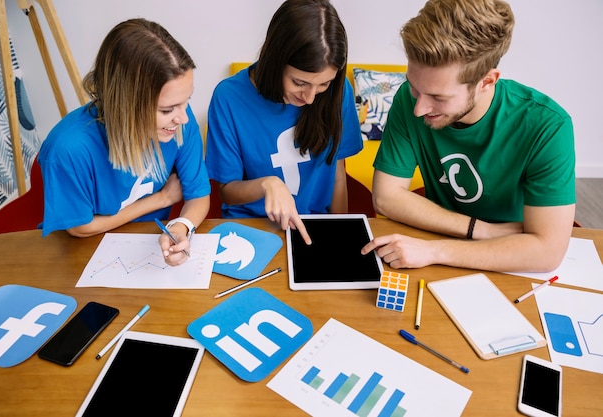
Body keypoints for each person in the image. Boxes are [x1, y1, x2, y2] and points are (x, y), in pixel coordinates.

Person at [362, 0, 576, 273]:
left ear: (487, 81)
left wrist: (434, 250)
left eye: (439, 97)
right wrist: (481, 230)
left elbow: (546, 253)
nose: (419, 109)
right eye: (414, 87)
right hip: (451, 249)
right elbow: (386, 198)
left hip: (510, 261)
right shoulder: (408, 100)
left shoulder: (548, 125)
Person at [39, 18, 210, 266]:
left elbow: (198, 195)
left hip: (147, 252)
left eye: (186, 101)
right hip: (81, 255)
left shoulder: (180, 121)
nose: (183, 117)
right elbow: (80, 228)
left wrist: (181, 227)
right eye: (167, 109)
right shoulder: (69, 149)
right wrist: (160, 200)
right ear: (127, 105)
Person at [205, 0, 363, 244]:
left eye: (323, 84)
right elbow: (227, 192)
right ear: (275, 59)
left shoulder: (339, 93)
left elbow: (338, 174)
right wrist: (267, 184)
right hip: (250, 229)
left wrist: (337, 235)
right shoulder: (228, 97)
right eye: (299, 83)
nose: (310, 98)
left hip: (314, 227)